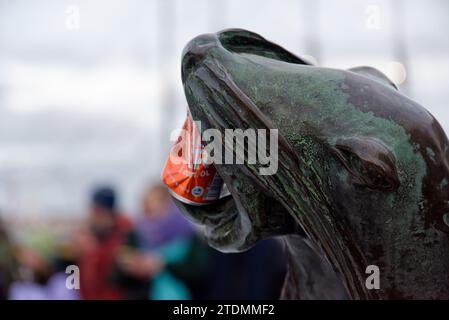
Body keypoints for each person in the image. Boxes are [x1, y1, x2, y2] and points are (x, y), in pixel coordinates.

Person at [115, 183, 209, 300]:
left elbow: (200, 273)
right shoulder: (136, 233)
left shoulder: (187, 235)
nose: (152, 213)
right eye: (147, 207)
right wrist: (132, 265)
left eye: (157, 206)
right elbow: (116, 278)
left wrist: (163, 265)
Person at [75, 186, 132, 299]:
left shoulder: (125, 236)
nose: (94, 216)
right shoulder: (90, 235)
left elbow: (118, 279)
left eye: (98, 211)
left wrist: (94, 252)